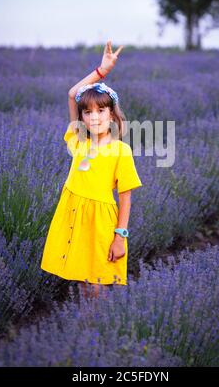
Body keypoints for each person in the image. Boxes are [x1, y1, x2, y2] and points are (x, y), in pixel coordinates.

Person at [40, 40, 143, 301]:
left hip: (100, 222)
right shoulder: (80, 142)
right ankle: (88, 328)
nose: (93, 117)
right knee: (82, 280)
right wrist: (101, 71)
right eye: (87, 112)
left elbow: (126, 196)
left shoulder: (121, 150)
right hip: (73, 213)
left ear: (111, 115)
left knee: (95, 280)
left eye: (100, 110)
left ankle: (96, 329)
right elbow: (72, 93)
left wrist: (120, 236)